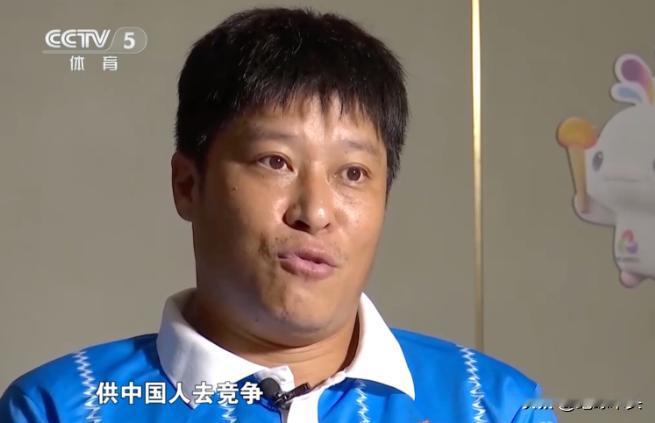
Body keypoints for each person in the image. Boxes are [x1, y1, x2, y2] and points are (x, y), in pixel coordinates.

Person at [0, 7, 557, 423]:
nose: (315, 212)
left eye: (353, 173)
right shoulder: (60, 407)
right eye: (276, 161)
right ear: (188, 185)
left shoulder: (494, 406)